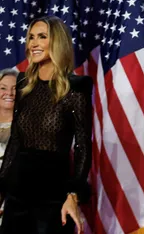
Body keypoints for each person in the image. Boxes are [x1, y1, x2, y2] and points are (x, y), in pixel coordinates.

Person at [0, 16, 93, 234]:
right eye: (31, 37)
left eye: (42, 37)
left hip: (52, 198)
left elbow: (82, 145)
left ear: (57, 42)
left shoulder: (76, 87)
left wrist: (73, 195)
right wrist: (2, 189)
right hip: (17, 194)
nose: (34, 43)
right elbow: (15, 141)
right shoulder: (23, 83)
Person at [0, 69, 17, 222]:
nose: (9, 93)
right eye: (3, 88)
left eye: (14, 88)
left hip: (15, 202)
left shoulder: (28, 125)